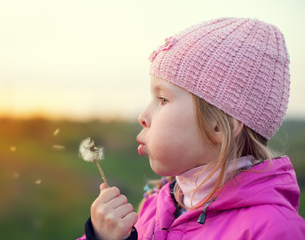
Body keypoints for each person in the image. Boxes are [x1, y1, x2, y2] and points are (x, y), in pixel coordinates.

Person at [78, 18, 305, 239]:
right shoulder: (152, 209)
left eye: (163, 99)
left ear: (218, 127)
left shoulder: (274, 230)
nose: (143, 116)